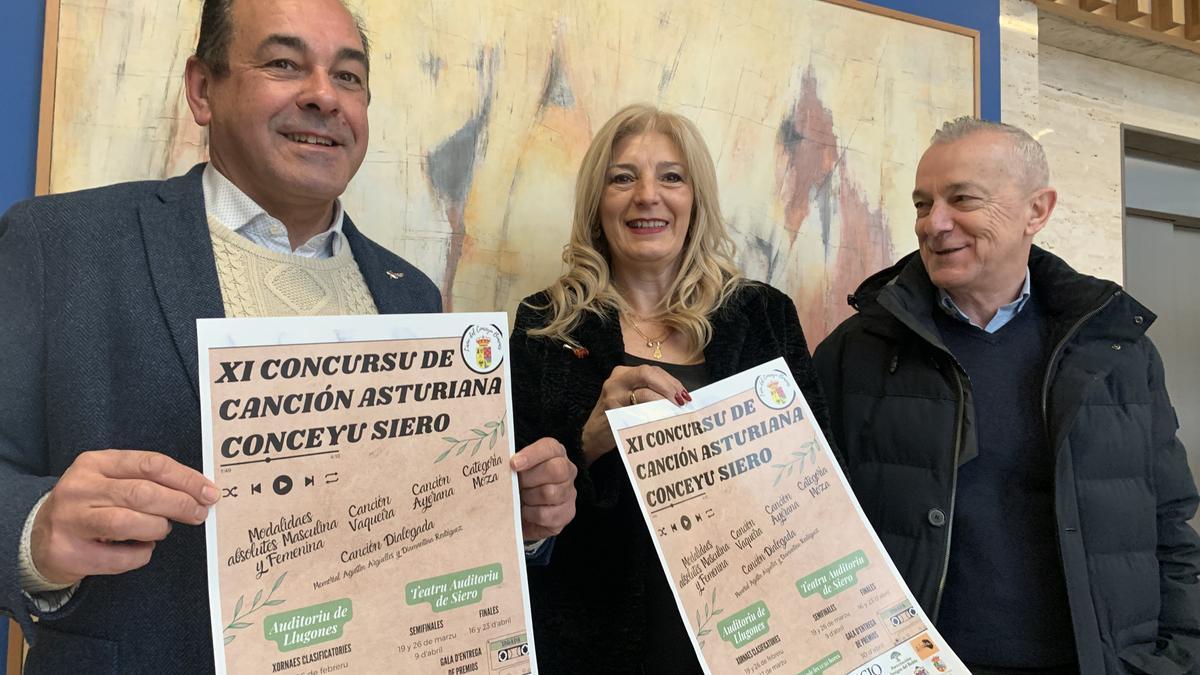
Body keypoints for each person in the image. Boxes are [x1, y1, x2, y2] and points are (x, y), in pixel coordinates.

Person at [0, 0, 575, 671]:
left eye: (350, 77)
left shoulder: (410, 292)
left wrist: (514, 520)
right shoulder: (61, 245)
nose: (325, 97)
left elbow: (420, 528)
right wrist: (35, 530)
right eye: (284, 63)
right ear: (202, 88)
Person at [813, 117, 1200, 674]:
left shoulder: (1118, 351)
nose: (934, 224)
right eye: (923, 204)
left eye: (961, 199)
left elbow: (1170, 523)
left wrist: (1177, 660)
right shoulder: (860, 350)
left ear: (1036, 211)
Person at [510, 103, 830, 674]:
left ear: (695, 199)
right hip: (596, 641)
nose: (647, 195)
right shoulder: (545, 324)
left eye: (672, 177)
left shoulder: (762, 314)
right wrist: (589, 442)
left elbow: (821, 479)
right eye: (622, 177)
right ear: (597, 203)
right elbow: (520, 518)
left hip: (755, 637)